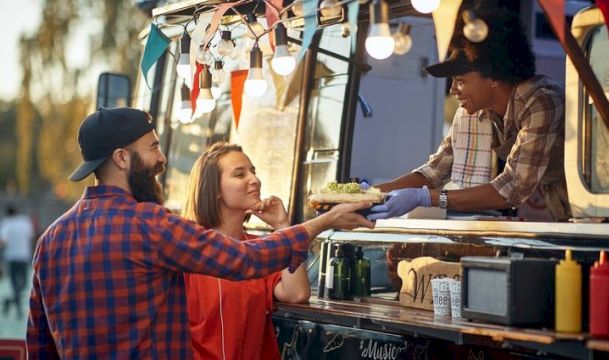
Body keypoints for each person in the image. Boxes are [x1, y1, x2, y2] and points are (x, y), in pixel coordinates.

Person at [26, 107, 373, 359]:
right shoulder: (149, 224)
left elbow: (39, 345)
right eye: (152, 148)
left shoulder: (50, 240)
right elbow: (245, 259)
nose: (162, 159)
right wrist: (324, 221)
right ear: (121, 158)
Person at [368, 5, 570, 222]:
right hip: (557, 202)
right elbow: (435, 171)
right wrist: (371, 194)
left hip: (592, 197)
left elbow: (512, 187)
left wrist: (425, 198)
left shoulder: (541, 101)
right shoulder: (474, 112)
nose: (453, 90)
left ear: (494, 77)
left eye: (460, 81)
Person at [182, 142, 310, 360]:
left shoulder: (258, 248)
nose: (255, 180)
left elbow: (296, 294)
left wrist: (283, 227)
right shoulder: (186, 250)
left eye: (253, 171)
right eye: (240, 174)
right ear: (213, 190)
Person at [0, 204, 35, 316]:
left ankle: (9, 302)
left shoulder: (6, 223)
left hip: (11, 257)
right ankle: (18, 309)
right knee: (24, 283)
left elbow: (3, 241)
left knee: (15, 284)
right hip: (23, 256)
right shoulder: (25, 222)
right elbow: (31, 236)